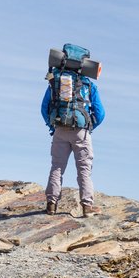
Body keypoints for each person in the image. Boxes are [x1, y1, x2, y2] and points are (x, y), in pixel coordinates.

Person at [41, 68, 105, 216]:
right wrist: (89, 127)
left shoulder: (55, 83)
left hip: (59, 129)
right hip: (81, 131)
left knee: (57, 167)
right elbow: (100, 113)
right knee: (84, 169)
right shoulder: (88, 84)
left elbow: (44, 108)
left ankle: (51, 204)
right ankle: (87, 207)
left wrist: (52, 126)